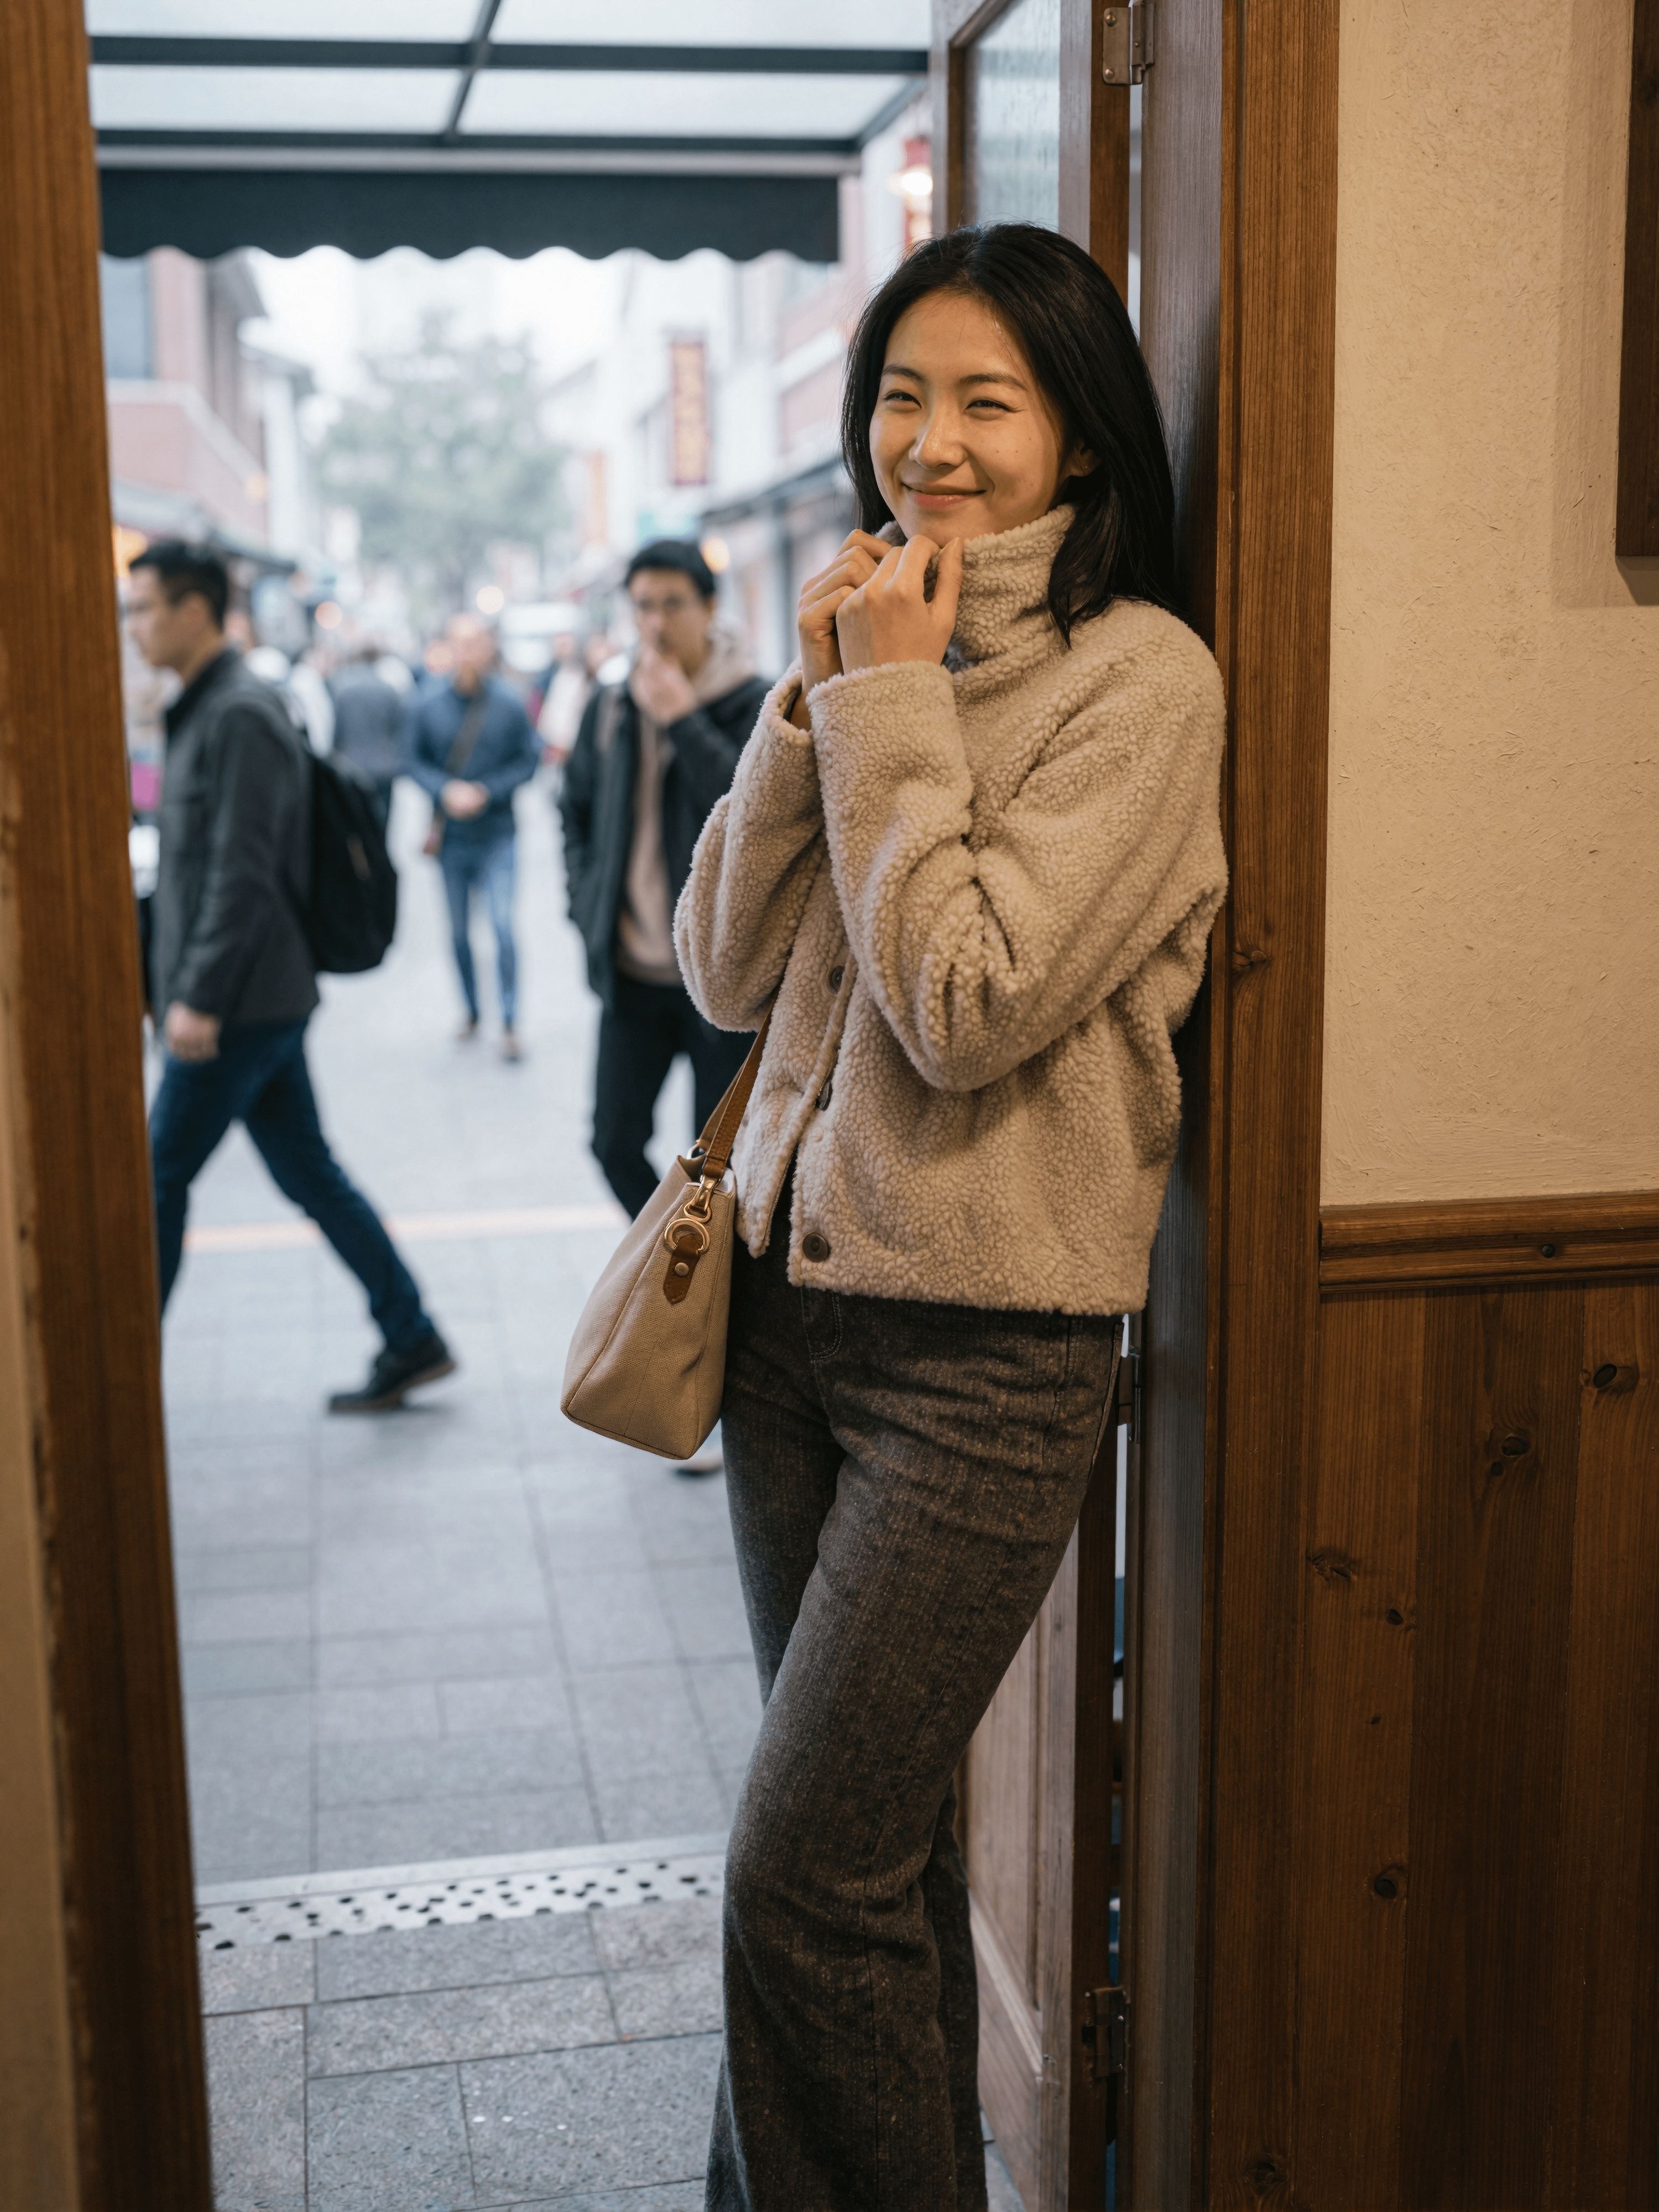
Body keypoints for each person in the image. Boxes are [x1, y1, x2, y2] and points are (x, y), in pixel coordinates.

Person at [674, 224, 1228, 2210]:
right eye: (903, 393)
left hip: (981, 1349)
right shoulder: (867, 647)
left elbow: (967, 1000)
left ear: (1078, 430)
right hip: (779, 1312)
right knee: (862, 1862)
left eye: (984, 398)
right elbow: (721, 969)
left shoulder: (1138, 685)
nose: (932, 441)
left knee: (794, 1869)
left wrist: (890, 709)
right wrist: (816, 705)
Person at [130, 540, 456, 1416]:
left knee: (154, 1179)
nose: (134, 627)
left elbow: (242, 873)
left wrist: (195, 996)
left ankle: (119, 1392)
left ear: (195, 610)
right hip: (255, 999)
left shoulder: (239, 712)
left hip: (240, 1006)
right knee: (310, 1173)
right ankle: (411, 1332)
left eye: (145, 608)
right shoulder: (200, 708)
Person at [560, 541, 768, 1218]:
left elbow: (756, 822)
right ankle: (666, 1271)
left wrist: (682, 719)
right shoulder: (613, 707)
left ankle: (712, 1305)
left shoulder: (757, 704)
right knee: (612, 1142)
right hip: (632, 969)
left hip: (721, 981)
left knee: (720, 1167)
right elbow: (576, 811)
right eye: (643, 605)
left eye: (673, 603)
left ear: (710, 608)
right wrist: (585, 901)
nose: (655, 622)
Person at [404, 613, 541, 1061]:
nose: (468, 651)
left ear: (488, 647)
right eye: (460, 643)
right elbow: (412, 760)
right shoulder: (427, 703)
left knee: (503, 927)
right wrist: (445, 790)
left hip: (499, 833)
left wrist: (488, 791)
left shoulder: (509, 702)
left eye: (476, 642)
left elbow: (529, 760)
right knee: (460, 934)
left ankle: (509, 1019)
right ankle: (470, 1012)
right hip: (452, 842)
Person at [328, 641, 405, 828]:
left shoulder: (343, 691)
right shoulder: (389, 690)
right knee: (382, 825)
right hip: (384, 766)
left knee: (357, 826)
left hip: (352, 766)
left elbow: (338, 731)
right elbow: (398, 728)